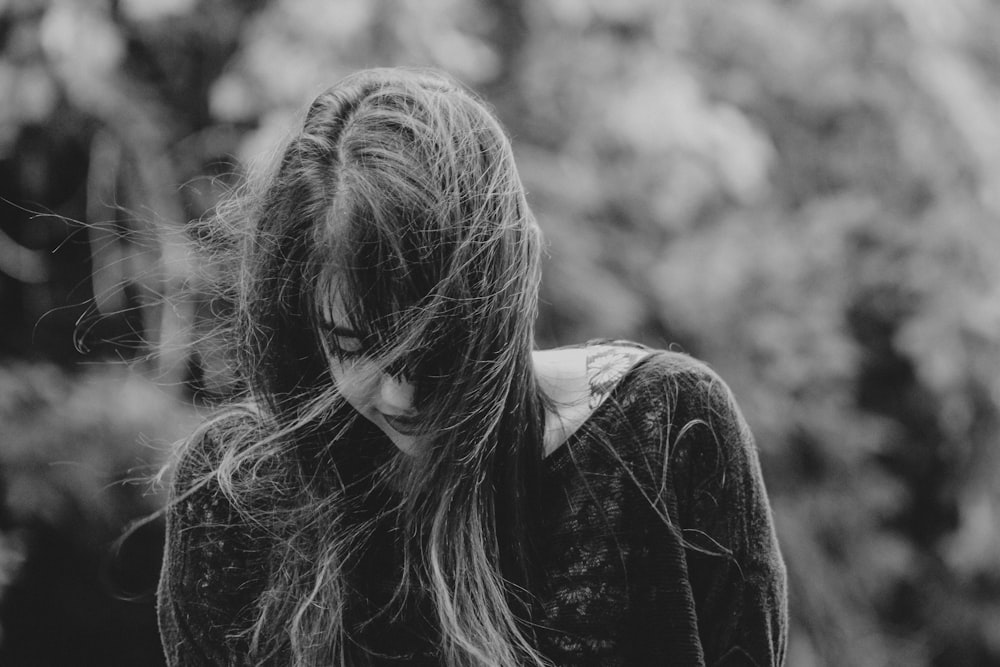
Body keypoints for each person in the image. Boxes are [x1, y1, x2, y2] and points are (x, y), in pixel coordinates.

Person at [157, 67, 788, 666]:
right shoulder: (231, 501)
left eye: (431, 350)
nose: (401, 397)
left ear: (496, 309)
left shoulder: (670, 429)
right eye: (350, 348)